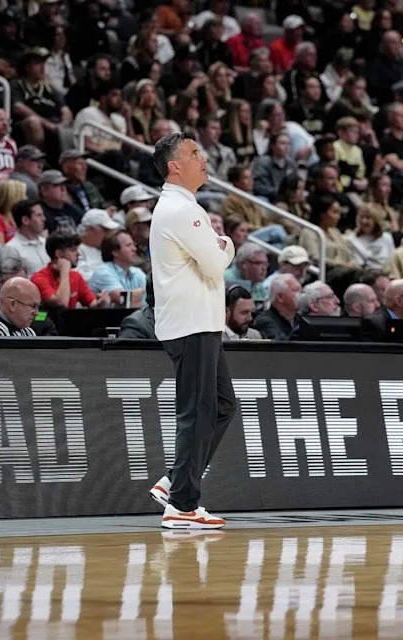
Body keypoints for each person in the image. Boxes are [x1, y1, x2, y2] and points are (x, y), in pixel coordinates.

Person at [148, 131, 236, 529]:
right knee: (197, 412)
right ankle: (183, 506)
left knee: (219, 406)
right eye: (194, 154)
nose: (203, 159)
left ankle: (175, 482)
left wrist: (218, 243)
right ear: (174, 166)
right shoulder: (183, 211)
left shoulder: (183, 207)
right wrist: (227, 242)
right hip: (191, 323)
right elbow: (217, 265)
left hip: (200, 322)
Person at [32, 229, 110, 313]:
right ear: (59, 254)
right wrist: (64, 271)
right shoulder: (39, 278)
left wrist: (101, 303)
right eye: (73, 250)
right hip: (45, 323)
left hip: (68, 324)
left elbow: (92, 303)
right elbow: (61, 304)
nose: (78, 254)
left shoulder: (75, 276)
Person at [90, 230, 147, 307]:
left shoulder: (137, 272)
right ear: (115, 252)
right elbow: (123, 300)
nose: (134, 249)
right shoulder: (102, 272)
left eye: (133, 245)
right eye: (128, 245)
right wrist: (149, 288)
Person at [3, 199, 48, 275]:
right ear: (25, 220)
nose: (44, 219)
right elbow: (12, 281)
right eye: (39, 215)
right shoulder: (11, 249)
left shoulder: (46, 243)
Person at [253, 272, 301, 340]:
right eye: (295, 291)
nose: (301, 295)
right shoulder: (265, 321)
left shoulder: (300, 319)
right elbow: (283, 346)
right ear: (280, 297)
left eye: (301, 291)